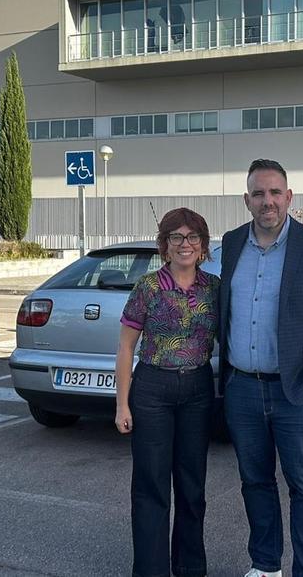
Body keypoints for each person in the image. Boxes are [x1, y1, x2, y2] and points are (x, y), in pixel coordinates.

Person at [219, 159, 303, 577]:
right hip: (243, 388)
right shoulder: (233, 243)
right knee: (255, 482)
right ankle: (266, 564)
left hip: (297, 390)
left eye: (275, 193)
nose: (267, 201)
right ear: (246, 200)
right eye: (258, 193)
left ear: (288, 197)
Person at [114, 208, 220, 577]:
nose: (185, 244)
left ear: (203, 245)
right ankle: (151, 570)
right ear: (165, 245)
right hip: (153, 390)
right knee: (151, 486)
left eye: (193, 237)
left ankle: (190, 567)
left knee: (192, 486)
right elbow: (127, 347)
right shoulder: (148, 287)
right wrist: (122, 404)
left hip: (198, 390)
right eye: (176, 237)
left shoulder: (215, 288)